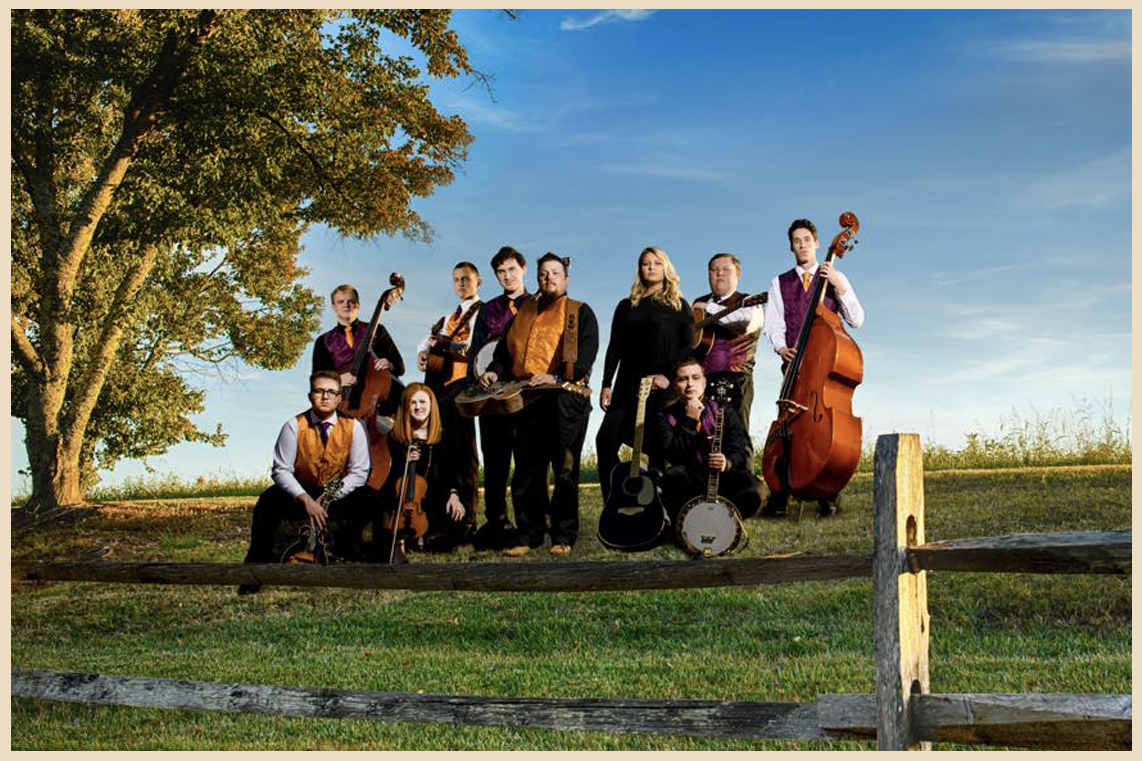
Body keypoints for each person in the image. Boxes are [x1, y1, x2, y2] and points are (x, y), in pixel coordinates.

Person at [479, 253, 598, 556]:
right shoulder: (525, 310)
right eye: (544, 274)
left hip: (564, 398)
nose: (549, 278)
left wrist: (555, 375)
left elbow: (585, 358)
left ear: (566, 278)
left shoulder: (579, 312)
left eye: (555, 273)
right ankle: (528, 534)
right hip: (528, 399)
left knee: (565, 469)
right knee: (527, 470)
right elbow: (505, 353)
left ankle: (563, 535)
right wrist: (494, 370)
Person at [762, 218, 865, 518]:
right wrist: (782, 348)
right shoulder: (778, 282)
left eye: (807, 239)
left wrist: (839, 285)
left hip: (824, 366)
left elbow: (856, 319)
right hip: (794, 367)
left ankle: (826, 493)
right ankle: (781, 492)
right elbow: (774, 324)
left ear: (818, 243)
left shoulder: (834, 275)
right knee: (787, 424)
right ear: (791, 246)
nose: (802, 245)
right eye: (796, 241)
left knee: (823, 430)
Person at [238, 371, 375, 594]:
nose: (325, 396)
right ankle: (256, 572)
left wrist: (331, 494)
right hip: (303, 488)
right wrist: (305, 499)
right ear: (310, 395)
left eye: (331, 392)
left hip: (336, 490)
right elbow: (281, 470)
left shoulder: (354, 426)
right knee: (268, 500)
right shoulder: (293, 425)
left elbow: (359, 472)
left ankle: (365, 563)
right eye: (319, 391)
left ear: (340, 397)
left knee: (371, 498)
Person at [596, 246, 694, 502]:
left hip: (660, 387)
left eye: (656, 263)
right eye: (645, 263)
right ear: (639, 269)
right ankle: (615, 502)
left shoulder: (679, 306)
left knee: (657, 450)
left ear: (666, 269)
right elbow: (614, 346)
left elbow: (687, 347)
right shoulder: (626, 305)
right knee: (605, 441)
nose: (650, 267)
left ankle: (658, 509)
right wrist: (606, 383)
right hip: (626, 386)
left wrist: (669, 377)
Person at [467, 246, 530, 550]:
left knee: (528, 461)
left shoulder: (538, 304)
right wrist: (476, 378)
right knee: (494, 462)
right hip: (492, 395)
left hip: (529, 396)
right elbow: (475, 350)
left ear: (524, 269)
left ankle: (529, 523)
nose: (507, 276)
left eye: (512, 270)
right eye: (501, 272)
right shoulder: (488, 309)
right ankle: (495, 522)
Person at [416, 262, 483, 539]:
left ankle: (466, 515)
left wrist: (451, 347)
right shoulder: (446, 318)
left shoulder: (484, 312)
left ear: (478, 282)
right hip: (439, 390)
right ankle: (441, 514)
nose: (461, 284)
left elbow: (478, 346)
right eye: (456, 279)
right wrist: (423, 353)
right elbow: (426, 343)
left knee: (464, 450)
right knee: (439, 448)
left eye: (466, 279)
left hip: (464, 386)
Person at [654, 358, 762, 526]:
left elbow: (739, 449)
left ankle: (724, 521)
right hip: (689, 481)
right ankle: (690, 522)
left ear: (704, 382)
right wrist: (690, 420)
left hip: (723, 478)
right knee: (670, 479)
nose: (690, 384)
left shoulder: (724, 410)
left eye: (695, 378)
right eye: (683, 379)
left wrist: (728, 462)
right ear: (675, 385)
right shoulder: (665, 416)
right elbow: (672, 454)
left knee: (756, 490)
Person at [375, 383, 473, 559]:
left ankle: (427, 536)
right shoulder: (396, 438)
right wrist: (403, 461)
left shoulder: (444, 437)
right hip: (403, 498)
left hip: (434, 496)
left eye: (422, 402)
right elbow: (390, 478)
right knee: (385, 519)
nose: (418, 407)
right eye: (413, 403)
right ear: (406, 406)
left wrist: (453, 494)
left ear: (431, 404)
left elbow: (451, 471)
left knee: (456, 520)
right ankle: (403, 540)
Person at [691, 253, 764, 432]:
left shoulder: (749, 301)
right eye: (714, 270)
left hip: (736, 380)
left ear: (737, 274)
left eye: (725, 269)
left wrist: (709, 308)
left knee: (736, 438)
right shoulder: (698, 303)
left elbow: (744, 323)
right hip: (702, 383)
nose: (719, 274)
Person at [312, 283, 405, 415]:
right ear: (334, 307)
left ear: (358, 305)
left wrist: (389, 364)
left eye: (351, 301)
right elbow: (316, 381)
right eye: (341, 302)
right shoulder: (323, 341)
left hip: (377, 410)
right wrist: (337, 380)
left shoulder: (378, 331)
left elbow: (400, 367)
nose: (346, 305)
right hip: (338, 407)